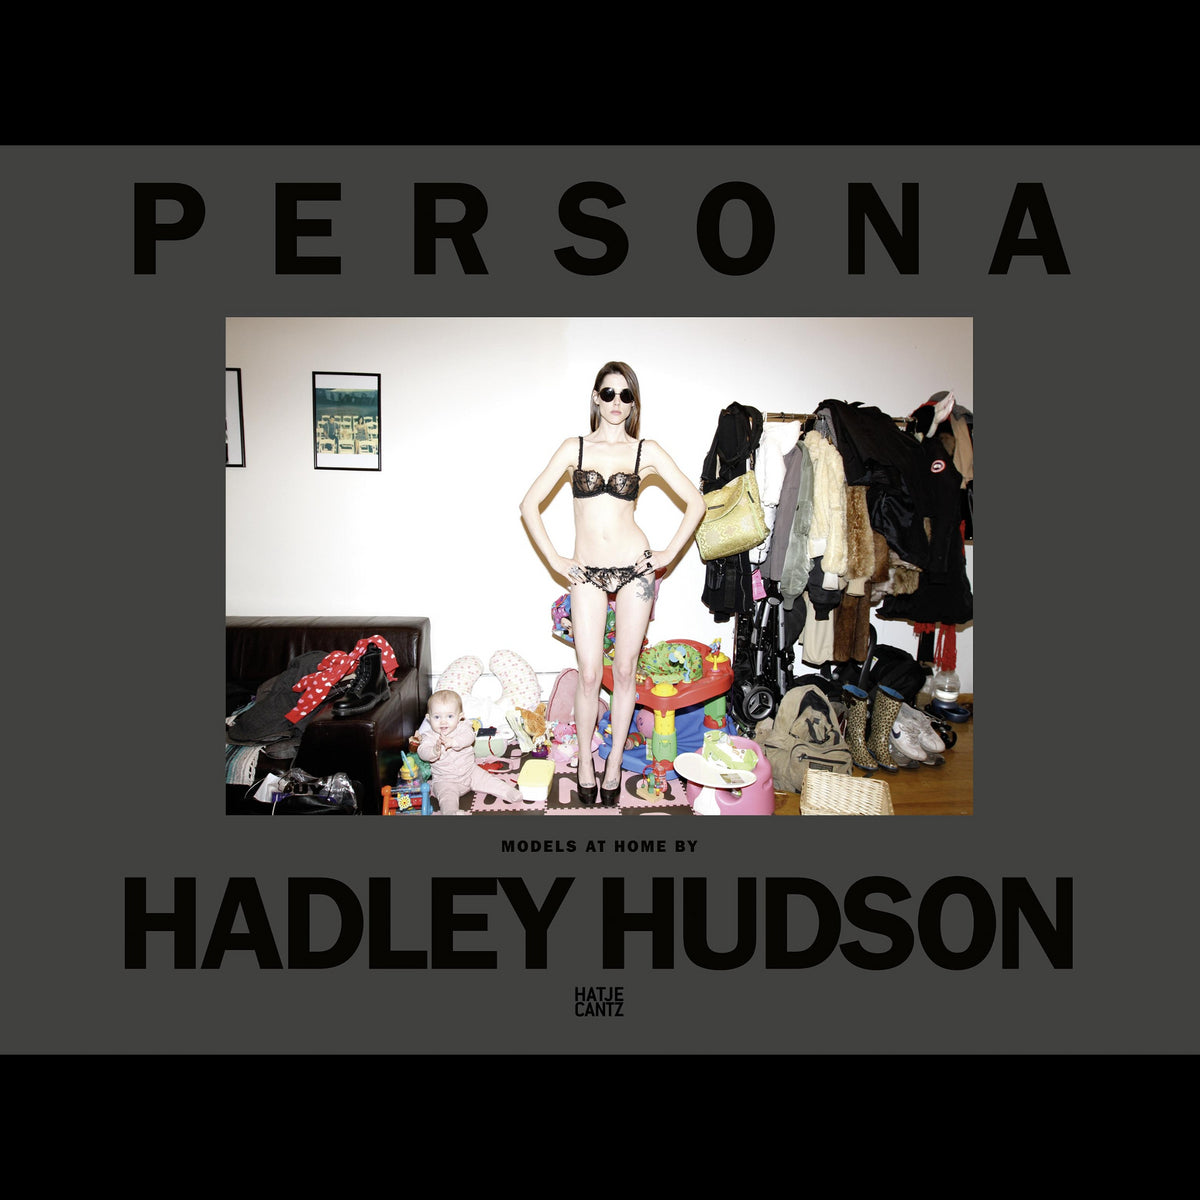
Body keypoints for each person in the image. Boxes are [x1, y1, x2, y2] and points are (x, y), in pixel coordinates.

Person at [520, 361, 705, 805]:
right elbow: (528, 505)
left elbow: (696, 503)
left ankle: (615, 760)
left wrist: (666, 555)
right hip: (586, 572)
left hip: (635, 572)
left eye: (626, 394)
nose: (617, 402)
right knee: (589, 675)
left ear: (634, 403)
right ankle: (585, 761)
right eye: (609, 393)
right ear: (596, 398)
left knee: (624, 671)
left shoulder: (645, 451)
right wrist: (556, 560)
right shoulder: (575, 448)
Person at [417, 690, 523, 813]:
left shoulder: (464, 727)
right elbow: (422, 751)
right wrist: (433, 751)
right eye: (437, 717)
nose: (443, 721)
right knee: (446, 799)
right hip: (445, 780)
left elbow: (469, 737)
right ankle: (452, 813)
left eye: (449, 716)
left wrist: (454, 742)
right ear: (428, 718)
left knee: (489, 780)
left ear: (460, 717)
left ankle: (509, 792)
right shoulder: (429, 737)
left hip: (470, 772)